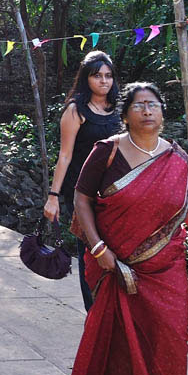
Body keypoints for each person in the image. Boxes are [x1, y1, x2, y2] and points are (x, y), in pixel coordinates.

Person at [71, 82, 188, 375]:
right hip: (116, 267)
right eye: (138, 105)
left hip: (167, 272)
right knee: (116, 345)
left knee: (170, 339)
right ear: (126, 115)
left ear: (162, 114)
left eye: (152, 105)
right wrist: (98, 248)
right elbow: (81, 198)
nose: (146, 110)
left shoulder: (177, 159)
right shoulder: (107, 151)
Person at [43, 50, 121, 310]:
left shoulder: (119, 109)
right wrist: (53, 197)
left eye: (108, 76)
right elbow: (64, 156)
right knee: (90, 250)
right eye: (97, 75)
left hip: (116, 193)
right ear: (86, 78)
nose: (104, 81)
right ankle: (94, 312)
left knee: (118, 248)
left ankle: (114, 310)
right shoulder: (76, 110)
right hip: (81, 193)